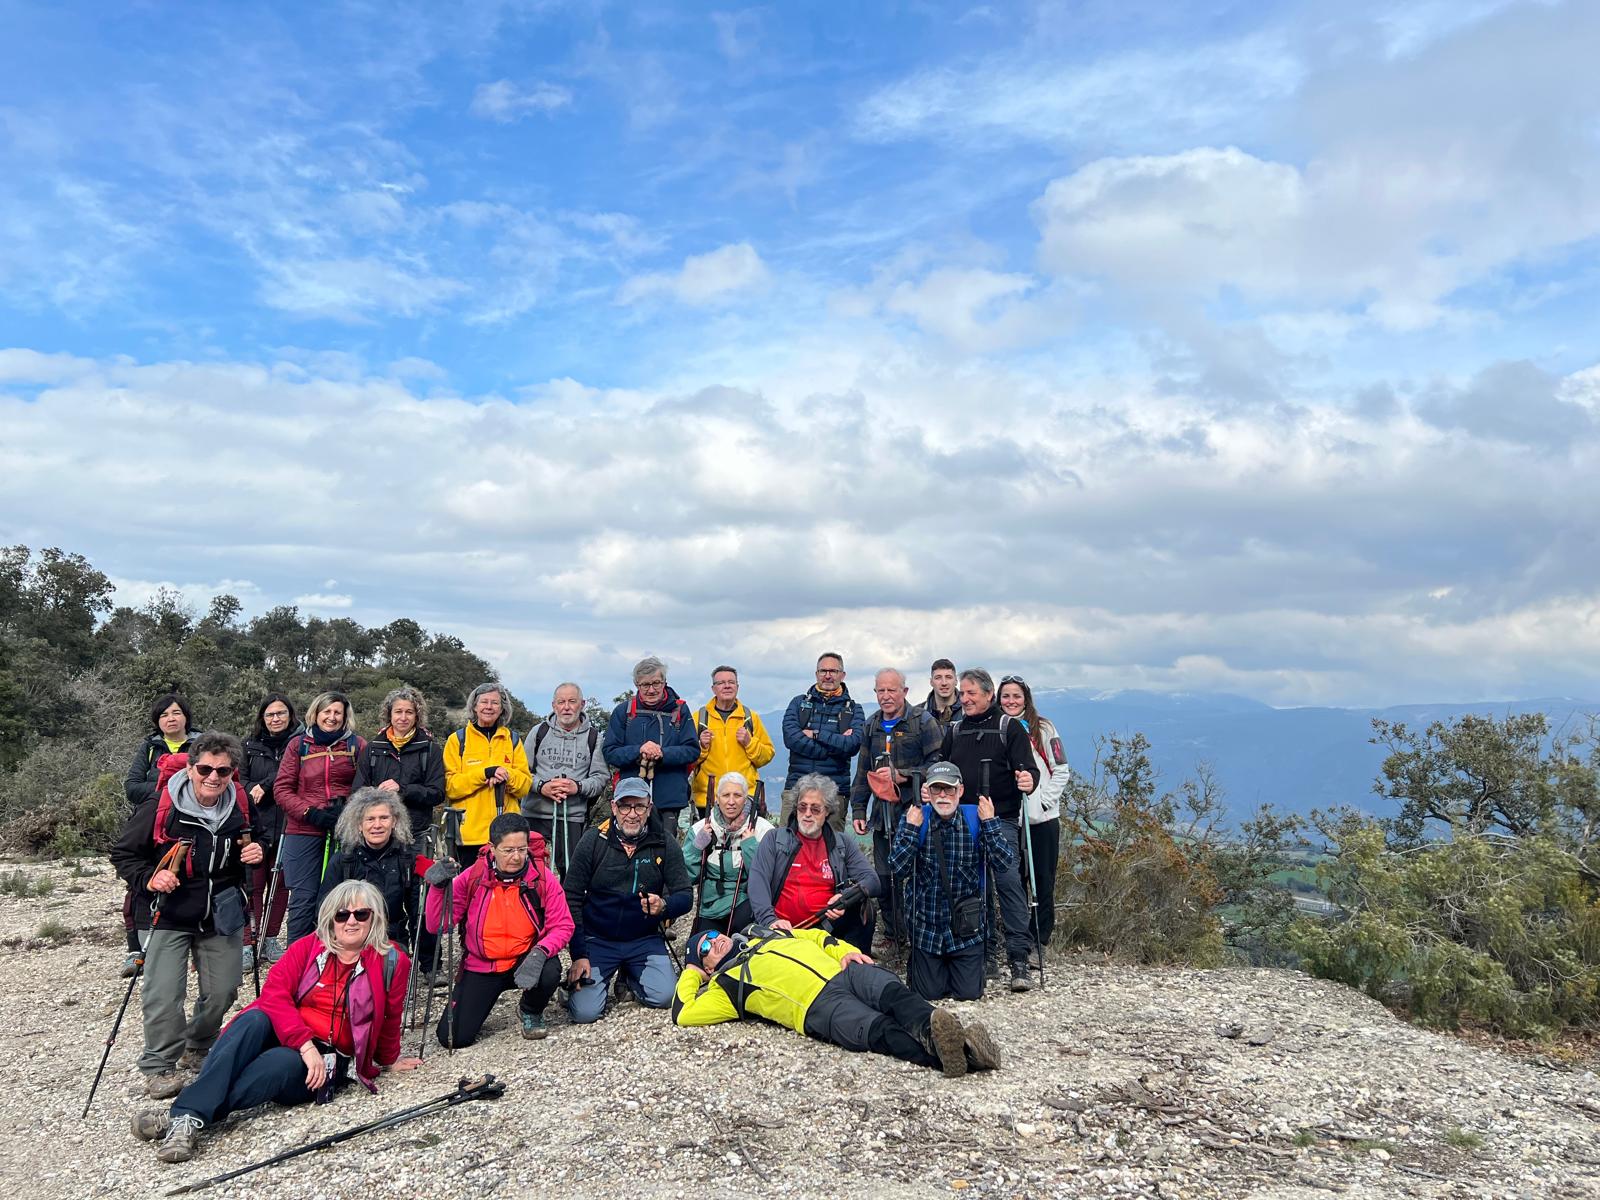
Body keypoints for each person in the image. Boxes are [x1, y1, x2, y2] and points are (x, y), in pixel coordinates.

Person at [129, 880, 421, 1164]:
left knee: (281, 1062)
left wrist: (389, 1059)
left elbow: (391, 1016)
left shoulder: (392, 961)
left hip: (328, 1057)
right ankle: (188, 1117)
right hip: (292, 1035)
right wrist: (305, 1045)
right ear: (331, 919)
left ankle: (182, 1116)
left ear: (375, 918)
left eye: (361, 914)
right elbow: (274, 993)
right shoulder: (309, 947)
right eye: (342, 914)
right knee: (254, 1019)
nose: (351, 921)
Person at [111, 731, 263, 1099]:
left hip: (221, 911)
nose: (213, 777)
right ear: (191, 768)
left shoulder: (240, 804)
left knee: (224, 989)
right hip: (167, 911)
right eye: (205, 769)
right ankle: (159, 1065)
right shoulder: (161, 804)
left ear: (232, 773)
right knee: (163, 994)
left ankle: (199, 1043)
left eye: (223, 771)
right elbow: (124, 854)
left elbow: (259, 838)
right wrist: (150, 878)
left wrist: (259, 850)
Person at [673, 925, 1001, 1078]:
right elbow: (684, 1013)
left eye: (713, 935)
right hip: (818, 1006)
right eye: (705, 949)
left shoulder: (766, 933)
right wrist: (691, 975)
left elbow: (818, 936)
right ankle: (962, 1055)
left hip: (843, 971)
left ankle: (943, 1037)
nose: (714, 942)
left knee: (894, 995)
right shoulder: (726, 986)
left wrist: (845, 951)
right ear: (707, 967)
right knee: (881, 1031)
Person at [421, 813, 575, 1044]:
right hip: (482, 965)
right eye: (508, 850)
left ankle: (530, 1010)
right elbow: (437, 925)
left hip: (525, 960)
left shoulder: (541, 877)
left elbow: (563, 924)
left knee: (550, 969)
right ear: (492, 848)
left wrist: (541, 951)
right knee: (453, 1038)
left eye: (522, 849)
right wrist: (438, 888)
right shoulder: (472, 877)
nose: (517, 857)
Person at [562, 777, 692, 1023]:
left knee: (665, 997)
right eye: (625, 806)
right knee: (585, 1013)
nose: (632, 814)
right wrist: (578, 954)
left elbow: (685, 895)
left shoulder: (664, 842)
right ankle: (582, 983)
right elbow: (571, 898)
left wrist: (664, 907)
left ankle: (629, 976)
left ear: (649, 808)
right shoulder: (593, 841)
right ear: (614, 807)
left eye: (639, 806)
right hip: (597, 940)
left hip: (644, 939)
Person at [940, 669, 1038, 992]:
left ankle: (1019, 958)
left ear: (988, 695)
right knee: (973, 887)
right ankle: (984, 953)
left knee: (1008, 883)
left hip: (1002, 818)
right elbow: (942, 770)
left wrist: (1029, 780)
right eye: (962, 693)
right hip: (963, 820)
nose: (965, 699)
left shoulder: (1009, 728)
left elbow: (1029, 770)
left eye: (971, 693)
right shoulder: (955, 731)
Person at [888, 763, 1017, 1001]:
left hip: (966, 932)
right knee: (928, 994)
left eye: (949, 789)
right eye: (936, 789)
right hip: (927, 930)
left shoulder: (976, 819)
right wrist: (911, 831)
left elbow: (1003, 863)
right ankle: (937, 972)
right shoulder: (915, 819)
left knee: (969, 994)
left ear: (960, 791)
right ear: (927, 791)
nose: (943, 795)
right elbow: (897, 868)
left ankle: (949, 971)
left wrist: (990, 823)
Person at [850, 667, 944, 951]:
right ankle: (893, 936)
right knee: (885, 876)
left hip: (915, 812)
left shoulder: (923, 722)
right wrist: (858, 809)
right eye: (881, 690)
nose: (886, 696)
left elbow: (939, 764)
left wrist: (902, 775)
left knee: (919, 874)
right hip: (882, 816)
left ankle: (921, 935)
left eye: (892, 690)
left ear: (905, 691)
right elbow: (863, 771)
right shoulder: (871, 725)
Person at [747, 773, 880, 953]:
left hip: (826, 928)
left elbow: (872, 880)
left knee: (864, 908)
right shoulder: (774, 839)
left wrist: (845, 898)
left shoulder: (841, 843)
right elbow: (758, 882)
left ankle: (856, 964)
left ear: (827, 811)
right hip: (783, 930)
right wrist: (770, 920)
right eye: (802, 807)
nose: (808, 814)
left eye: (815, 809)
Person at [118, 692, 201, 975]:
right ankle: (135, 948)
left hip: (193, 822)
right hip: (153, 822)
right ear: (157, 720)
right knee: (140, 884)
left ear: (186, 717)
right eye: (164, 714)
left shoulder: (200, 745)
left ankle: (193, 945)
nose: (170, 718)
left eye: (176, 713)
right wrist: (167, 792)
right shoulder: (150, 747)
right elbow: (132, 787)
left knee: (191, 880)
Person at [274, 692, 364, 943]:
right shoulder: (298, 745)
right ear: (316, 713)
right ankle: (299, 955)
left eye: (337, 712)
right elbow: (282, 789)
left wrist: (348, 812)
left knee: (342, 898)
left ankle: (338, 953)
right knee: (303, 898)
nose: (332, 717)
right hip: (302, 829)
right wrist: (310, 812)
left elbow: (367, 785)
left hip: (343, 829)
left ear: (345, 716)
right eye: (327, 711)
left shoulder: (357, 745)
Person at [997, 675, 1067, 950]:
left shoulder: (1044, 728)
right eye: (1006, 696)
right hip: (1009, 820)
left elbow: (1061, 769)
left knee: (1043, 881)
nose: (1011, 701)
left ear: (1026, 699)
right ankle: (1017, 938)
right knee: (1014, 881)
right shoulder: (997, 728)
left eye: (1016, 696)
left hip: (1042, 821)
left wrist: (1044, 803)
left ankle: (1039, 939)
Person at [603, 657, 698, 843]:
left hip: (669, 799)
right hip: (631, 800)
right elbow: (610, 752)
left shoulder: (680, 710)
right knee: (630, 849)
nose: (651, 690)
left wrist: (663, 753)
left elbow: (692, 750)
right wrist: (639, 751)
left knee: (666, 851)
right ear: (636, 685)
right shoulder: (623, 712)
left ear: (665, 682)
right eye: (645, 685)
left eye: (656, 683)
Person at [525, 682, 608, 877]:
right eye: (561, 702)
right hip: (535, 813)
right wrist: (542, 787)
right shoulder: (538, 732)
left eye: (572, 701)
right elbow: (521, 772)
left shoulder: (594, 737)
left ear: (582, 704)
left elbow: (600, 778)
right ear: (554, 705)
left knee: (571, 873)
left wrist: (577, 787)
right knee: (530, 871)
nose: (566, 707)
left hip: (572, 817)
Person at [444, 682, 533, 863]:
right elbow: (451, 787)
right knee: (469, 881)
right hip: (468, 836)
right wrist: (484, 774)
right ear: (474, 706)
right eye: (484, 702)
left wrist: (506, 775)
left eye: (495, 702)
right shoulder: (457, 740)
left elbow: (524, 786)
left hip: (507, 836)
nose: (489, 707)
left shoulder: (513, 740)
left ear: (502, 709)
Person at [354, 685, 445, 855]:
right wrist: (376, 794)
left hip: (416, 835)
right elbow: (357, 792)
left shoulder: (430, 749)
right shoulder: (372, 748)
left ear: (417, 716)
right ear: (389, 714)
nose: (403, 717)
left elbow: (437, 793)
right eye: (398, 712)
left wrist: (403, 790)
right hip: (378, 835)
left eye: (409, 712)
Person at [242, 693, 298, 972]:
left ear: (290, 715)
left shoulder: (300, 743)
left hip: (289, 823)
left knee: (281, 886)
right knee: (252, 885)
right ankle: (249, 941)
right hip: (256, 824)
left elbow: (292, 775)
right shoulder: (248, 745)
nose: (276, 719)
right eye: (270, 715)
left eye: (281, 713)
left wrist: (264, 784)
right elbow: (239, 779)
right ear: (262, 718)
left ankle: (271, 938)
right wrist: (251, 788)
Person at [317, 789, 417, 940]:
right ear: (359, 824)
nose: (377, 825)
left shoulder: (407, 860)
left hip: (391, 939)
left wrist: (426, 957)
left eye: (384, 818)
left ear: (394, 821)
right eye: (370, 819)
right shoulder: (343, 860)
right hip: (351, 940)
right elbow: (324, 909)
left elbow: (418, 915)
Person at [685, 774, 774, 940]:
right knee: (701, 947)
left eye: (737, 795)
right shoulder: (700, 829)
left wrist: (750, 847)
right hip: (710, 906)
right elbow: (686, 877)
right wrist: (696, 847)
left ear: (746, 799)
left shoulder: (763, 830)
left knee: (743, 944)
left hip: (746, 903)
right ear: (717, 799)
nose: (731, 801)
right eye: (726, 795)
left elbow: (768, 880)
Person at [780, 652, 864, 829]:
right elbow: (791, 738)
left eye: (833, 671)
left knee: (832, 845)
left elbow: (852, 745)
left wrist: (817, 735)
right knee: (785, 844)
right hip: (796, 790)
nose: (827, 675)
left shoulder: (853, 709)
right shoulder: (798, 703)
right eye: (823, 671)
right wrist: (833, 748)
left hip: (835, 793)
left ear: (842, 675)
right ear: (816, 674)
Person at [690, 665, 775, 818]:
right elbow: (688, 760)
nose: (727, 686)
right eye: (721, 683)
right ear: (713, 689)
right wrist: (701, 746)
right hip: (709, 799)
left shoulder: (750, 717)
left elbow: (767, 755)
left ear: (737, 687)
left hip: (745, 798)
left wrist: (749, 743)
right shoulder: (699, 718)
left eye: (731, 682)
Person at [923, 659, 960, 731]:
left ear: (956, 681)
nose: (944, 683)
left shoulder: (969, 711)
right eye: (938, 678)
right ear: (931, 682)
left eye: (948, 677)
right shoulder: (917, 715)